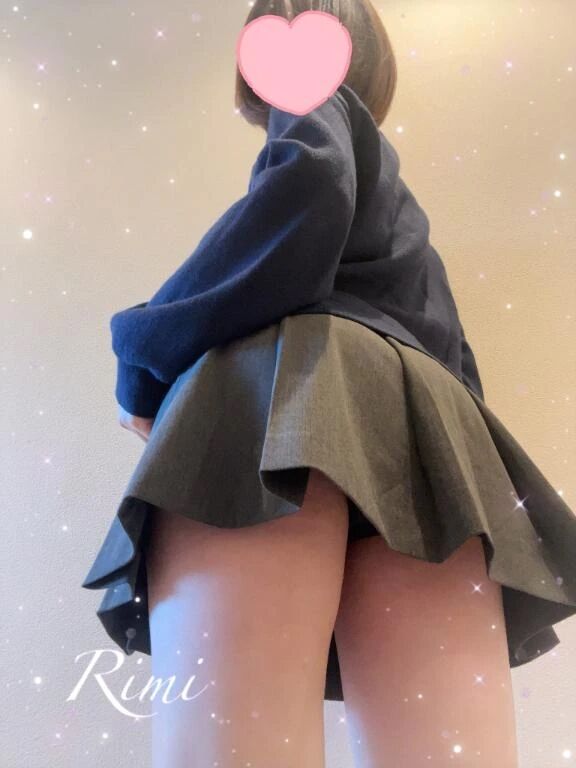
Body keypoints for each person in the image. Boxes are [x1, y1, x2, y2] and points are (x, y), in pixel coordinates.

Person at [82, 2, 576, 766]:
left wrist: (141, 351)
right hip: (426, 442)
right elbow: (455, 365)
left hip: (276, 401)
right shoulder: (404, 222)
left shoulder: (312, 107)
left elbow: (310, 185)